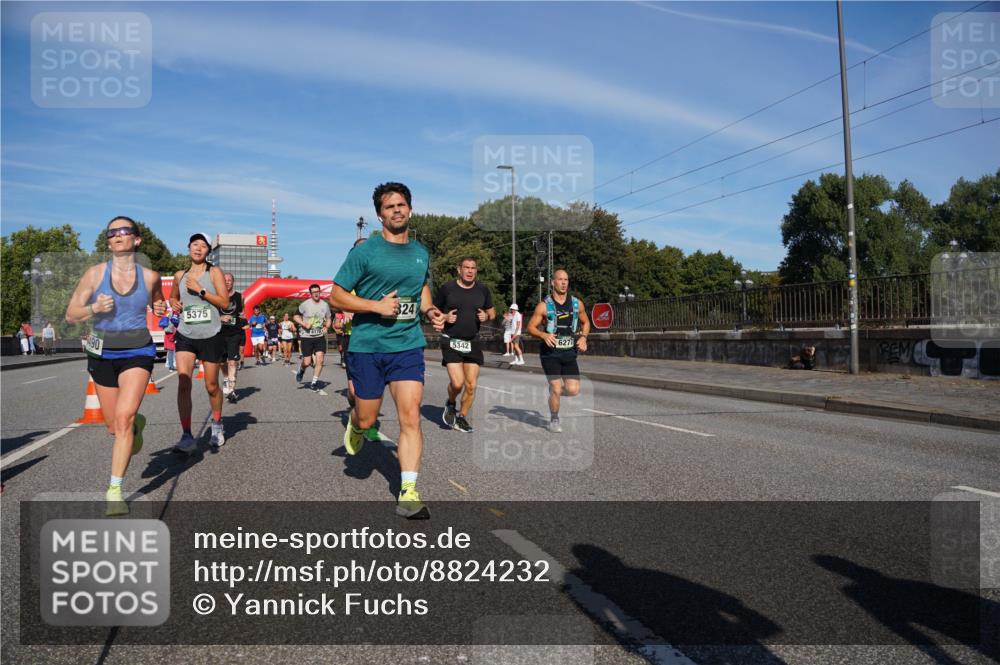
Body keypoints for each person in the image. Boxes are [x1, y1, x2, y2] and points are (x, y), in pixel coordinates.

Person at [329, 182, 445, 519]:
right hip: (368, 347)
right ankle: (357, 423)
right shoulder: (365, 252)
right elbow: (337, 296)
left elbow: (420, 286)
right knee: (367, 416)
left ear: (410, 209)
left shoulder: (421, 251)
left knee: (410, 417)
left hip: (407, 346)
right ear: (380, 214)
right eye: (389, 206)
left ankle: (408, 490)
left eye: (401, 204)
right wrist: (375, 307)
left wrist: (429, 310)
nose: (396, 210)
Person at [64, 215, 166, 515]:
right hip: (103, 353)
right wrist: (94, 307)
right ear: (108, 241)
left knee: (122, 420)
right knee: (113, 426)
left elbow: (158, 304)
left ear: (137, 240)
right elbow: (71, 314)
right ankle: (135, 426)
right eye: (112, 233)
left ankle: (114, 490)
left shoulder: (150, 277)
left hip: (137, 351)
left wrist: (159, 307)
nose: (118, 235)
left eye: (124, 231)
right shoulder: (95, 274)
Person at [169, 233, 228, 452]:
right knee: (184, 382)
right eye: (195, 244)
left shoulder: (214, 272)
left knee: (211, 385)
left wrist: (201, 290)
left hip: (211, 334)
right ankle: (186, 434)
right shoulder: (179, 275)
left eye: (203, 246)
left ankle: (217, 425)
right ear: (188, 248)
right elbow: (172, 296)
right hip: (185, 334)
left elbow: (224, 301)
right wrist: (174, 303)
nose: (198, 248)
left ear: (208, 251)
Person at [435, 256, 495, 433]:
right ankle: (451, 402)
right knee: (457, 383)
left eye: (473, 268)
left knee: (471, 385)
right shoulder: (447, 289)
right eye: (466, 267)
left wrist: (487, 316)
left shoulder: (483, 290)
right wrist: (445, 317)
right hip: (451, 340)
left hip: (472, 341)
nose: (470, 271)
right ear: (458, 269)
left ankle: (461, 417)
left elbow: (492, 312)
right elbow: (432, 310)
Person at [526, 269, 591, 433]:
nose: (563, 282)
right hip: (550, 354)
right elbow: (530, 327)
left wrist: (583, 337)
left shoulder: (577, 304)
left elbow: (586, 322)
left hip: (569, 352)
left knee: (573, 390)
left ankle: (553, 392)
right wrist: (543, 334)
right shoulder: (544, 306)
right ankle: (554, 418)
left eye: (566, 280)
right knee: (556, 387)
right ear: (553, 282)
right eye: (560, 279)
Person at [294, 284, 332, 390]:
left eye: (317, 291)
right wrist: (304, 324)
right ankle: (301, 370)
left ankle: (314, 382)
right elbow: (295, 316)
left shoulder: (325, 305)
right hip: (306, 336)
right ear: (310, 293)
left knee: (320, 360)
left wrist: (326, 327)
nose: (316, 293)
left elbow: (329, 318)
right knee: (307, 362)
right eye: (314, 292)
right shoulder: (305, 305)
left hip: (319, 336)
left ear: (320, 292)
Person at [219, 272, 246, 401]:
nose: (227, 282)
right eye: (225, 280)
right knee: (221, 362)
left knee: (233, 361)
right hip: (219, 332)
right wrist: (220, 317)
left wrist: (243, 319)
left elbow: (242, 313)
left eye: (229, 280)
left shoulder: (239, 297)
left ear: (233, 282)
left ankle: (232, 389)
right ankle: (225, 378)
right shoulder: (216, 296)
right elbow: (211, 313)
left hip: (234, 333)